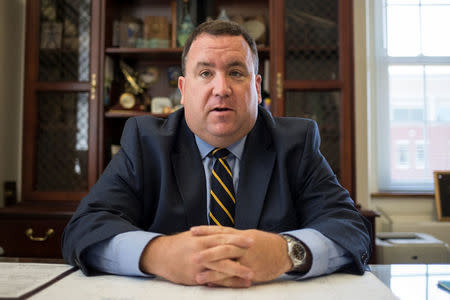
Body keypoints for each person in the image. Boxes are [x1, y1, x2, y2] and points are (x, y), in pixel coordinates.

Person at [62, 20, 371, 288]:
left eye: (236, 72)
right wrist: (156, 254)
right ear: (183, 89)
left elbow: (350, 229)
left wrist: (286, 252)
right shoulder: (145, 143)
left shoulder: (296, 143)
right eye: (206, 73)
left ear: (257, 86)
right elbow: (83, 229)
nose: (221, 88)